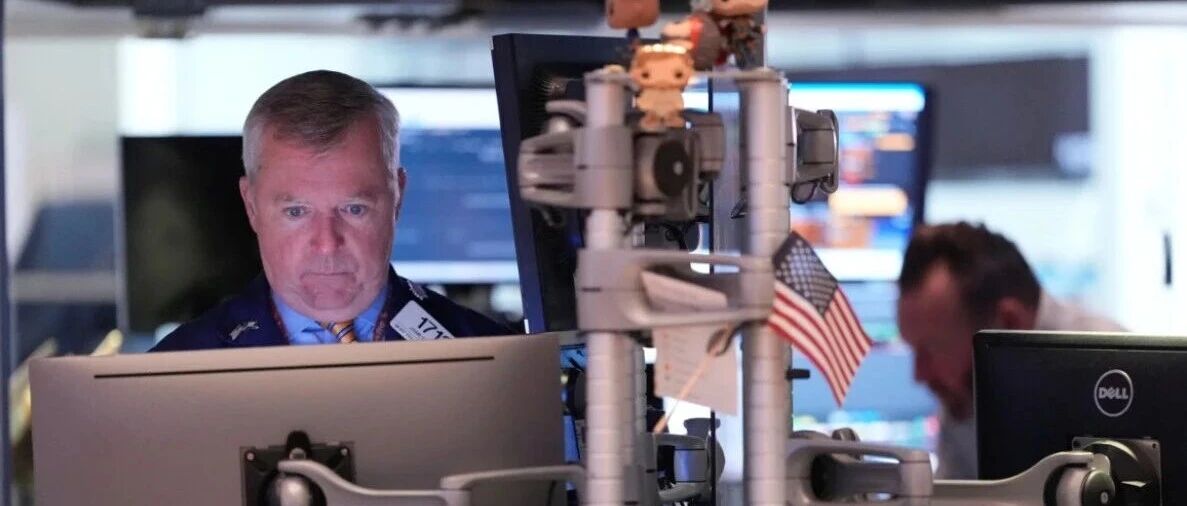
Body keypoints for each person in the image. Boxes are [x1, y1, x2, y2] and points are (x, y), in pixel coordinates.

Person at [152, 70, 511, 351]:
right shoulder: (170, 375)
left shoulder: (495, 360)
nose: (327, 244)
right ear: (251, 206)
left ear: (397, 198)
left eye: (354, 209)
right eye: (296, 212)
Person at [896, 221, 1124, 479]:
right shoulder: (962, 392)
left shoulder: (1114, 368)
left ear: (1008, 324)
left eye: (932, 349)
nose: (919, 374)